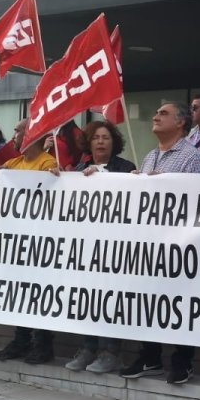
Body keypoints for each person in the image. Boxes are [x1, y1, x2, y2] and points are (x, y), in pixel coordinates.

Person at [120, 101, 200, 384]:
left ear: (181, 123)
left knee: (180, 304)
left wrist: (169, 186)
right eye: (157, 112)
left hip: (180, 245)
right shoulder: (148, 157)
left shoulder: (193, 158)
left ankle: (183, 361)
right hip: (150, 246)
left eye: (164, 113)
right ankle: (150, 357)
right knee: (147, 302)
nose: (156, 116)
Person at [65, 121, 136, 374]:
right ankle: (88, 348)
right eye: (96, 137)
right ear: (89, 142)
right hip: (86, 248)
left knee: (110, 300)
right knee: (87, 300)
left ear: (113, 142)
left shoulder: (127, 168)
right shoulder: (78, 169)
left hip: (116, 248)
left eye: (106, 137)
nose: (101, 142)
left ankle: (111, 352)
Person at [0, 120, 60, 365]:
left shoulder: (47, 163)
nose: (14, 135)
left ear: (32, 135)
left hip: (38, 241)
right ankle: (20, 340)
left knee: (38, 293)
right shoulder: (12, 164)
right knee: (20, 292)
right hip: (15, 241)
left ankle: (42, 344)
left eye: (18, 131)